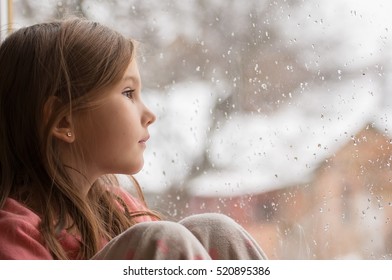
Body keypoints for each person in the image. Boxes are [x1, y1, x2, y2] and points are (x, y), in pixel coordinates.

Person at [0, 17, 267, 260]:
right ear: (63, 121)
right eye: (128, 93)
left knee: (216, 230)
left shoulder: (116, 207)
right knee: (163, 240)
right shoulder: (13, 234)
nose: (150, 114)